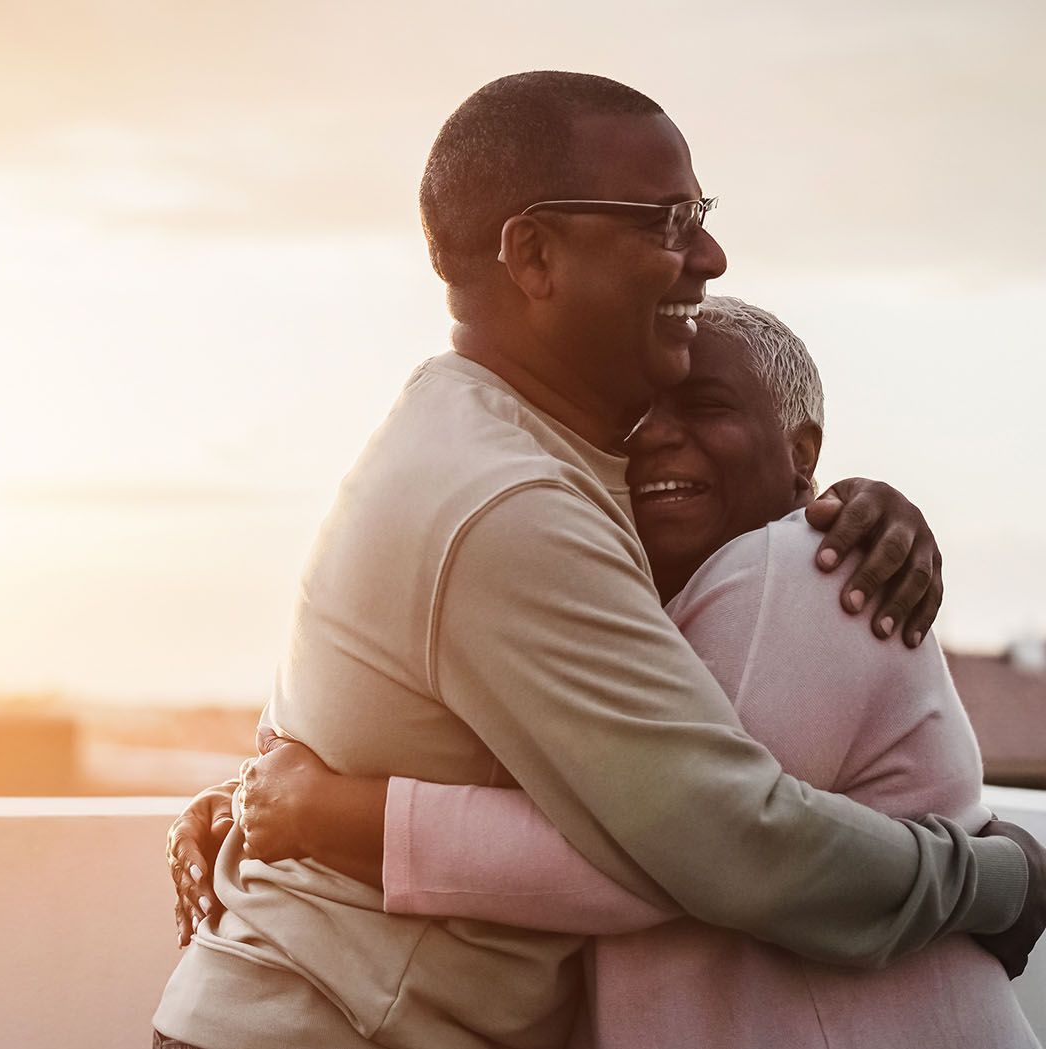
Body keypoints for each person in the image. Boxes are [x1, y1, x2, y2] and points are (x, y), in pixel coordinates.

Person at [150, 71, 1044, 1049]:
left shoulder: (532, 450)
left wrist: (847, 502)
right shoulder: (508, 499)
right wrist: (1002, 879)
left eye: (698, 216)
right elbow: (723, 847)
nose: (707, 254)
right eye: (664, 221)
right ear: (533, 253)